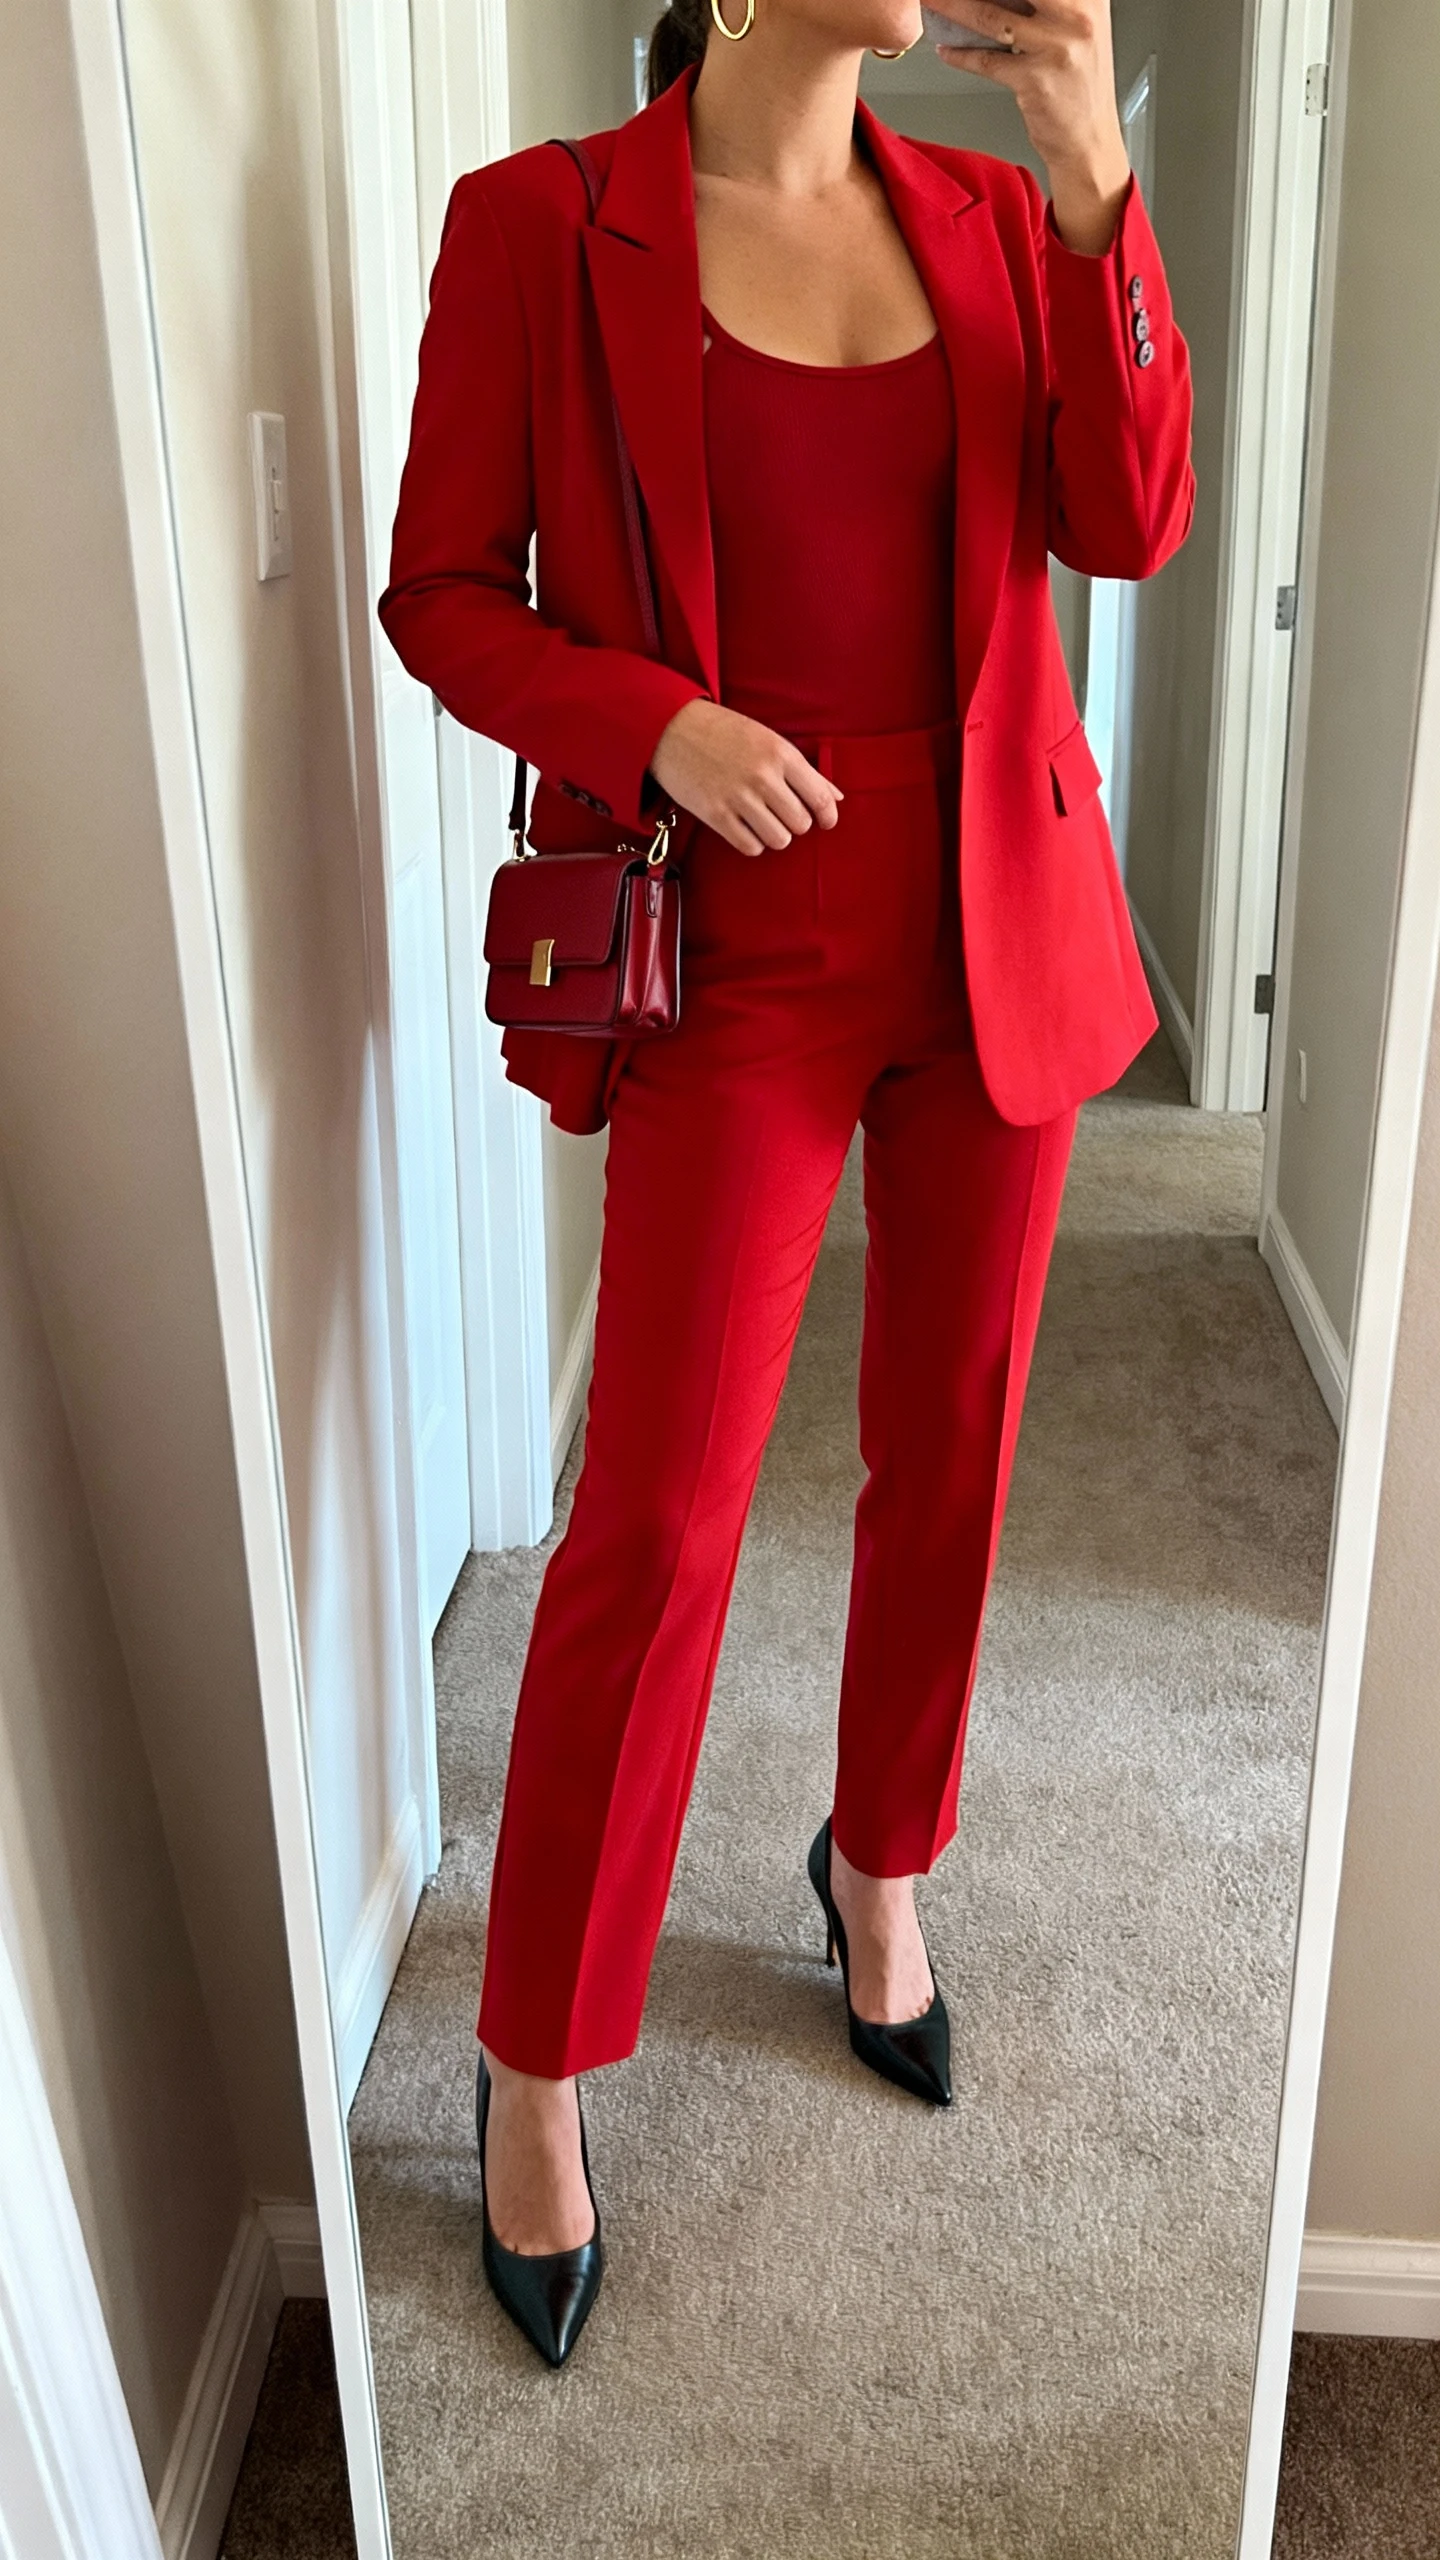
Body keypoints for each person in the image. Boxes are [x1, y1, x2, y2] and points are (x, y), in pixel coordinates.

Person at [379, 0, 1193, 2368]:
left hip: (994, 918)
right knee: (659, 1509)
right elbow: (447, 590)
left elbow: (1125, 520)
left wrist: (1088, 171)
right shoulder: (546, 227)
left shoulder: (984, 210)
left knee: (954, 1443)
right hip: (736, 939)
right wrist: (661, 721)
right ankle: (535, 2054)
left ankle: (883, 1857)